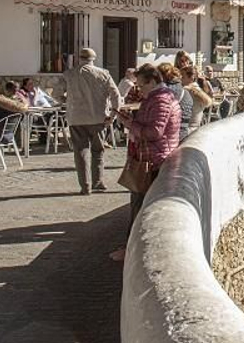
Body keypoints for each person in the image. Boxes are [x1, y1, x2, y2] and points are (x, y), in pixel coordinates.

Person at [110, 63, 181, 260]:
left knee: (140, 207)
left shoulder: (161, 101)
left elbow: (154, 132)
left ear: (152, 81)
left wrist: (129, 123)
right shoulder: (158, 98)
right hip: (152, 155)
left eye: (141, 85)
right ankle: (131, 249)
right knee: (138, 206)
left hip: (153, 158)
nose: (138, 90)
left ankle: (131, 251)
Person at [64, 48, 121, 194]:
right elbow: (115, 95)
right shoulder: (103, 73)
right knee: (98, 151)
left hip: (76, 118)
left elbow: (60, 94)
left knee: (80, 152)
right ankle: (98, 181)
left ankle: (85, 186)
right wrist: (113, 114)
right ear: (93, 58)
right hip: (98, 118)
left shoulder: (69, 74)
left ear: (79, 58)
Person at [177, 66, 215, 139]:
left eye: (183, 77)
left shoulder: (186, 91)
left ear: (191, 78)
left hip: (187, 130)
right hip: (197, 128)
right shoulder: (198, 90)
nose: (180, 79)